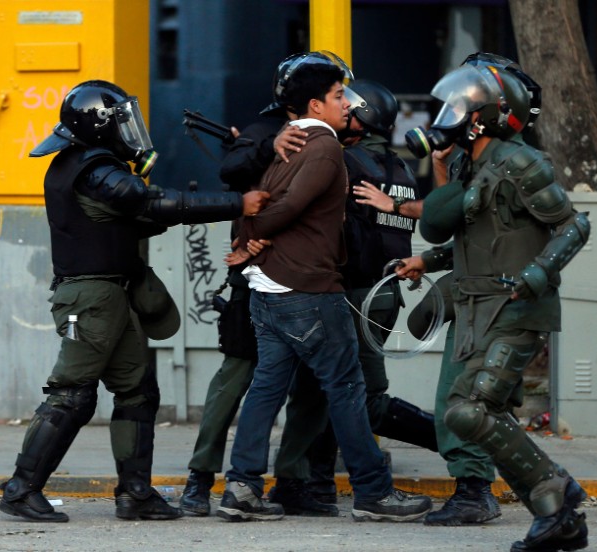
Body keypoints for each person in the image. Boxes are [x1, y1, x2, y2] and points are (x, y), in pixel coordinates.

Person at [0, 80, 269, 523]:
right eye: (121, 119)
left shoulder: (83, 164)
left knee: (138, 391)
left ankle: (136, 493)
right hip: (90, 298)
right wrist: (237, 202)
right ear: (102, 127)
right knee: (72, 395)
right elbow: (148, 202)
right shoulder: (93, 169)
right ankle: (20, 489)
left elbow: (129, 218)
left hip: (112, 294)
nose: (130, 128)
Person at [217, 61, 432, 523]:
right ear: (316, 105)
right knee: (349, 389)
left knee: (267, 389)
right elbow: (284, 207)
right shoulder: (324, 147)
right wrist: (254, 228)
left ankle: (242, 487)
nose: (347, 103)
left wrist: (248, 236)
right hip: (309, 290)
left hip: (269, 289)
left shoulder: (289, 143)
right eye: (338, 96)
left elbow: (258, 197)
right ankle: (374, 492)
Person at [395, 57, 592, 551]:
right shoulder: (470, 165)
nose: (446, 118)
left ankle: (555, 493)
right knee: (471, 412)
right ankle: (557, 516)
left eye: (457, 109)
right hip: (478, 307)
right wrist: (429, 259)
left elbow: (573, 225)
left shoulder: (521, 161)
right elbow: (477, 236)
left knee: (468, 409)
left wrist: (539, 273)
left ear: (480, 116)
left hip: (516, 307)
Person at [268, 78, 442, 515]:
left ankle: (455, 439)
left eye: (348, 104)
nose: (341, 108)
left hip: (348, 294)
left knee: (360, 396)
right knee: (324, 391)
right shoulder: (397, 169)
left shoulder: (343, 162)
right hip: (384, 296)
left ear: (361, 118)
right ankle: (315, 485)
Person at [177, 53, 316, 517]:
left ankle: (293, 481)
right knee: (235, 377)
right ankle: (200, 479)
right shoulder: (265, 132)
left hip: (306, 278)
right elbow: (232, 171)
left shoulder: (326, 139)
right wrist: (264, 146)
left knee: (313, 384)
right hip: (254, 278)